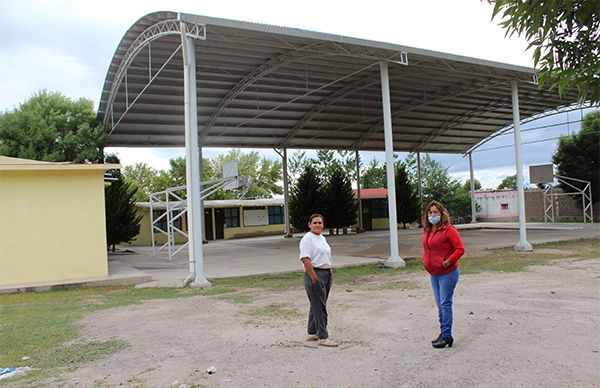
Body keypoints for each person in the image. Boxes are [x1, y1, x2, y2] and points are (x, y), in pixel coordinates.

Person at [422, 200, 465, 348]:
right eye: (430, 212)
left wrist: (449, 261)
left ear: (442, 214)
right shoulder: (429, 229)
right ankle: (443, 333)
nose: (432, 215)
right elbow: (429, 249)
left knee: (445, 304)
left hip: (448, 273)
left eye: (436, 212)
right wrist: (425, 261)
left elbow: (460, 249)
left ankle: (447, 336)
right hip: (434, 274)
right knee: (440, 305)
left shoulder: (449, 230)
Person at [299, 214, 338, 347]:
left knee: (316, 304)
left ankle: (312, 333)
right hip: (315, 274)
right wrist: (314, 277)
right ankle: (323, 337)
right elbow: (305, 259)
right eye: (315, 223)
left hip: (326, 273)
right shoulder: (307, 239)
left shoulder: (321, 238)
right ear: (309, 224)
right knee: (320, 306)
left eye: (320, 223)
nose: (317, 225)